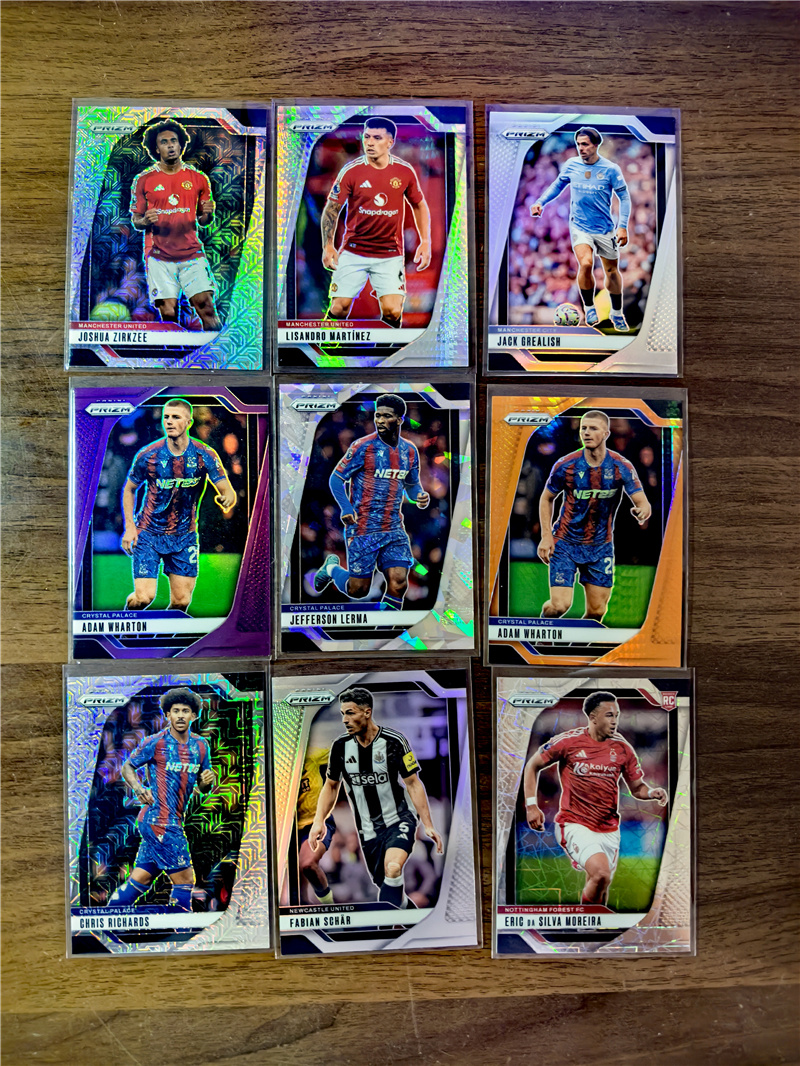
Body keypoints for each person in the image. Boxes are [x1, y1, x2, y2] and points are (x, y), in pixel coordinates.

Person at [523, 691, 667, 906]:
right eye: (609, 715)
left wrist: (651, 793)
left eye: (616, 715)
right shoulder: (569, 742)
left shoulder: (623, 749)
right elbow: (532, 765)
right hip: (575, 824)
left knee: (600, 886)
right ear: (593, 717)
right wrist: (531, 806)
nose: (615, 720)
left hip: (609, 829)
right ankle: (588, 918)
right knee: (601, 874)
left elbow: (637, 788)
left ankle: (592, 922)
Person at [308, 687, 443, 912]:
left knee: (393, 867)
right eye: (342, 713)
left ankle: (386, 925)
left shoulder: (394, 741)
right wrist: (318, 821)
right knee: (387, 886)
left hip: (399, 819)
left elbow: (413, 783)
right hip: (368, 830)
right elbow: (331, 786)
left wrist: (428, 824)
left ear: (367, 712)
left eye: (350, 713)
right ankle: (408, 918)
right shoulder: (340, 747)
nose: (345, 720)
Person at [312, 394, 430, 612]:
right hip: (363, 527)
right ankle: (331, 569)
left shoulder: (409, 451)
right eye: (378, 415)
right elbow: (336, 479)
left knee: (399, 583)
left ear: (399, 419)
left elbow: (412, 485)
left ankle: (385, 630)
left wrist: (420, 496)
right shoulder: (362, 447)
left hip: (393, 527)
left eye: (387, 416)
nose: (380, 420)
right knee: (358, 590)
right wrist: (346, 508)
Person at [121, 399, 237, 614]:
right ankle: (129, 616)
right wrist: (130, 527)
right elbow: (129, 489)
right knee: (144, 598)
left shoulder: (205, 454)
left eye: (175, 417)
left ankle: (162, 633)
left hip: (184, 536)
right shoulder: (148, 455)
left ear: (189, 422)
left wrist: (227, 498)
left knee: (181, 602)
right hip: (148, 533)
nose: (169, 421)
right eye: (166, 417)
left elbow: (226, 488)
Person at [537, 410, 651, 624]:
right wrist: (546, 536)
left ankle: (573, 643)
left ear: (606, 433)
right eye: (583, 428)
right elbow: (546, 498)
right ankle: (543, 625)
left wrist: (642, 511)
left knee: (597, 612)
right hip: (565, 543)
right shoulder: (566, 465)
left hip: (600, 546)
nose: (586, 432)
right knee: (560, 606)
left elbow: (642, 501)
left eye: (593, 428)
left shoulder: (621, 466)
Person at [108, 687, 215, 911]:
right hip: (160, 821)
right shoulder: (155, 742)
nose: (180, 716)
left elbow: (204, 787)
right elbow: (127, 766)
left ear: (194, 716)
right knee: (185, 881)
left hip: (170, 821)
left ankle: (107, 917)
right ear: (168, 714)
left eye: (185, 711)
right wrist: (138, 788)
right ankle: (182, 926)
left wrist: (207, 781)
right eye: (175, 711)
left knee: (142, 878)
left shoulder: (201, 746)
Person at [320, 116, 431, 328]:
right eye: (367, 137)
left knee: (393, 311)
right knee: (339, 307)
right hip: (354, 251)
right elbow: (331, 209)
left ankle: (385, 348)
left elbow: (419, 205)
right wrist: (328, 245)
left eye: (377, 138)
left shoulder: (404, 172)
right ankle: (326, 345)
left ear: (390, 142)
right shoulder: (351, 171)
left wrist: (425, 241)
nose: (369, 143)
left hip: (389, 254)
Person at [529, 127, 632, 331]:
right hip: (579, 226)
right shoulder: (571, 165)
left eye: (585, 144)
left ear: (596, 145)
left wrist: (622, 226)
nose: (581, 148)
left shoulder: (610, 169)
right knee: (585, 263)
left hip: (604, 228)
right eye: (578, 144)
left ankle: (617, 312)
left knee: (611, 271)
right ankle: (589, 308)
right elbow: (557, 185)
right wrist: (541, 201)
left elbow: (624, 197)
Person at [130, 119, 221, 330]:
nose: (170, 145)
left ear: (181, 145)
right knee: (168, 313)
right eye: (164, 142)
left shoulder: (199, 178)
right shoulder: (144, 180)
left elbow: (204, 221)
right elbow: (136, 220)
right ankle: (173, 351)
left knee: (207, 307)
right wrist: (145, 220)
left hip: (192, 254)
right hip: (159, 256)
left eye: (174, 141)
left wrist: (209, 214)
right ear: (156, 148)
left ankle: (218, 348)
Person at [296, 747, 336, 905]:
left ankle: (329, 904)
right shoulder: (275, 769)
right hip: (289, 830)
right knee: (298, 893)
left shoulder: (309, 757)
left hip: (316, 823)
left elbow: (342, 749)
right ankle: (304, 904)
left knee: (308, 865)